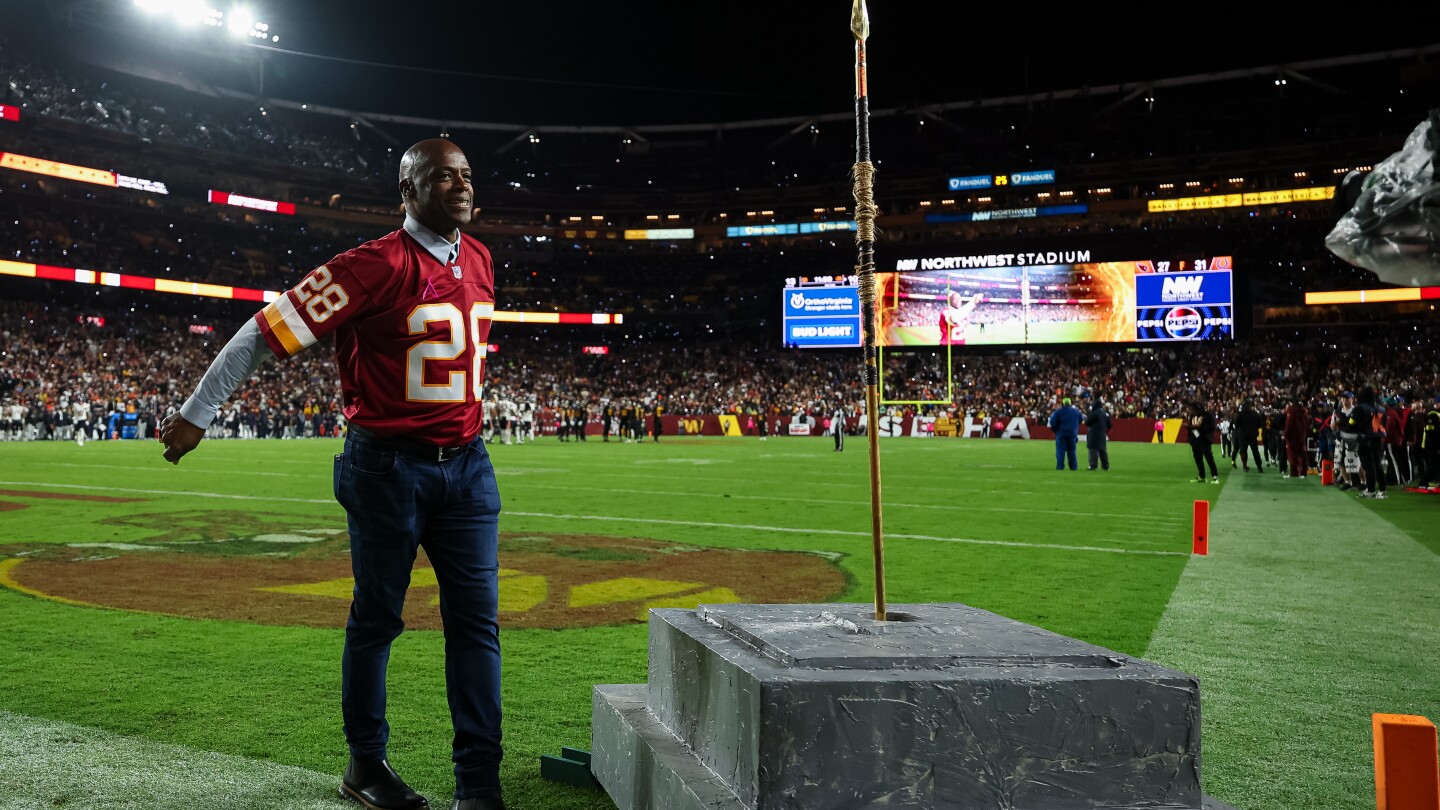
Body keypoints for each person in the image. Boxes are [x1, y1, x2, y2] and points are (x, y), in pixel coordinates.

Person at [158, 139, 508, 810]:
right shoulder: (374, 265)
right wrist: (196, 413)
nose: (460, 186)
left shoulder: (483, 257)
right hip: (387, 468)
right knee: (377, 620)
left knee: (477, 626)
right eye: (441, 176)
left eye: (466, 174)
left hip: (467, 466)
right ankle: (366, 766)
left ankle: (478, 783)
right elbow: (263, 331)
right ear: (406, 191)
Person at [1354, 387, 1388, 499]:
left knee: (1368, 466)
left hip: (1366, 438)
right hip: (1379, 439)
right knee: (1377, 465)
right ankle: (1382, 490)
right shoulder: (1381, 409)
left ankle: (1371, 489)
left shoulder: (1362, 408)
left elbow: (1354, 424)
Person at [1186, 401, 1221, 484]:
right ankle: (1202, 476)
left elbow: (1212, 427)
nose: (1190, 411)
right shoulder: (1192, 416)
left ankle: (1215, 477)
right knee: (1198, 459)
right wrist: (1189, 429)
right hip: (1195, 440)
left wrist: (1200, 427)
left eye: (1191, 409)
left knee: (1209, 459)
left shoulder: (1208, 415)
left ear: (1197, 408)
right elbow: (1192, 427)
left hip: (1204, 440)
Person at [1047, 396, 1082, 470]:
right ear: (1070, 404)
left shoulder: (1058, 412)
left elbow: (1052, 423)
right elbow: (1081, 420)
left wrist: (1055, 431)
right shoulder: (1076, 412)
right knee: (1072, 451)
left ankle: (1060, 467)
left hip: (1061, 434)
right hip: (1072, 434)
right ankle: (1073, 467)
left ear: (1063, 404)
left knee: (1060, 451)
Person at [1282, 395, 1311, 478]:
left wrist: (1285, 434)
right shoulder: (1303, 410)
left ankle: (1294, 473)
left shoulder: (1291, 410)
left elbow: (1289, 423)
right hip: (1302, 435)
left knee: (1291, 454)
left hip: (1292, 436)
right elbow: (1306, 423)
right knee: (1302, 454)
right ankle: (1303, 473)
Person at [1233, 398, 1265, 472]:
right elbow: (1259, 425)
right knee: (1255, 451)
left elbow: (1236, 424)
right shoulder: (1255, 414)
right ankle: (1259, 467)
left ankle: (1244, 466)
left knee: (1243, 451)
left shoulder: (1240, 414)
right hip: (1252, 435)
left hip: (1242, 435)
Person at [1084, 397, 1112, 471]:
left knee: (1093, 450)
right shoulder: (1105, 413)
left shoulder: (1094, 413)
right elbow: (1110, 425)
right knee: (1103, 450)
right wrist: (1105, 431)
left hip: (1093, 434)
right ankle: (1105, 466)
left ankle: (1093, 465)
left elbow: (1087, 422)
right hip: (1102, 434)